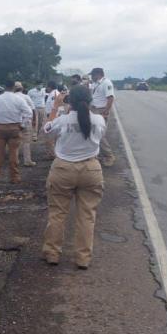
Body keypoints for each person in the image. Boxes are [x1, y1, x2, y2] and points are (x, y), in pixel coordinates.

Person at [41, 85, 107, 269]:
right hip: (91, 170)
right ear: (91, 100)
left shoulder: (62, 120)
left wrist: (55, 107)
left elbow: (45, 133)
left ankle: (52, 253)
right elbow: (100, 137)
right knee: (87, 216)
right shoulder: (99, 120)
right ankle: (83, 258)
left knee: (57, 214)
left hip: (63, 169)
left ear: (70, 101)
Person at [0, 80, 32, 183]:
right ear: (14, 87)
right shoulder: (19, 99)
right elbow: (29, 113)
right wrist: (23, 125)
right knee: (13, 153)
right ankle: (15, 177)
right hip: (15, 128)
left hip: (0, 128)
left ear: (4, 87)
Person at [89, 67, 116, 167]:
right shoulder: (96, 83)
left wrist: (106, 111)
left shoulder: (106, 83)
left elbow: (110, 98)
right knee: (94, 134)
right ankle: (99, 155)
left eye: (92, 75)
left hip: (101, 110)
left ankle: (109, 156)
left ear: (98, 74)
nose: (91, 77)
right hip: (94, 109)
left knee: (100, 134)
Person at [14, 82, 37, 167]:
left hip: (16, 122)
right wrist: (34, 120)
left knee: (15, 142)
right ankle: (27, 161)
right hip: (26, 121)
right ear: (22, 88)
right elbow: (33, 109)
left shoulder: (12, 98)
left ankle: (15, 160)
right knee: (26, 142)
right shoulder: (26, 97)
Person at [43, 81, 60, 159]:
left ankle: (52, 154)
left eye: (47, 86)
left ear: (50, 87)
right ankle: (52, 153)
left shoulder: (54, 94)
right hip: (52, 116)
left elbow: (54, 107)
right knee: (51, 136)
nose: (46, 88)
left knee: (50, 136)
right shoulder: (54, 93)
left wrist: (51, 119)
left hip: (52, 117)